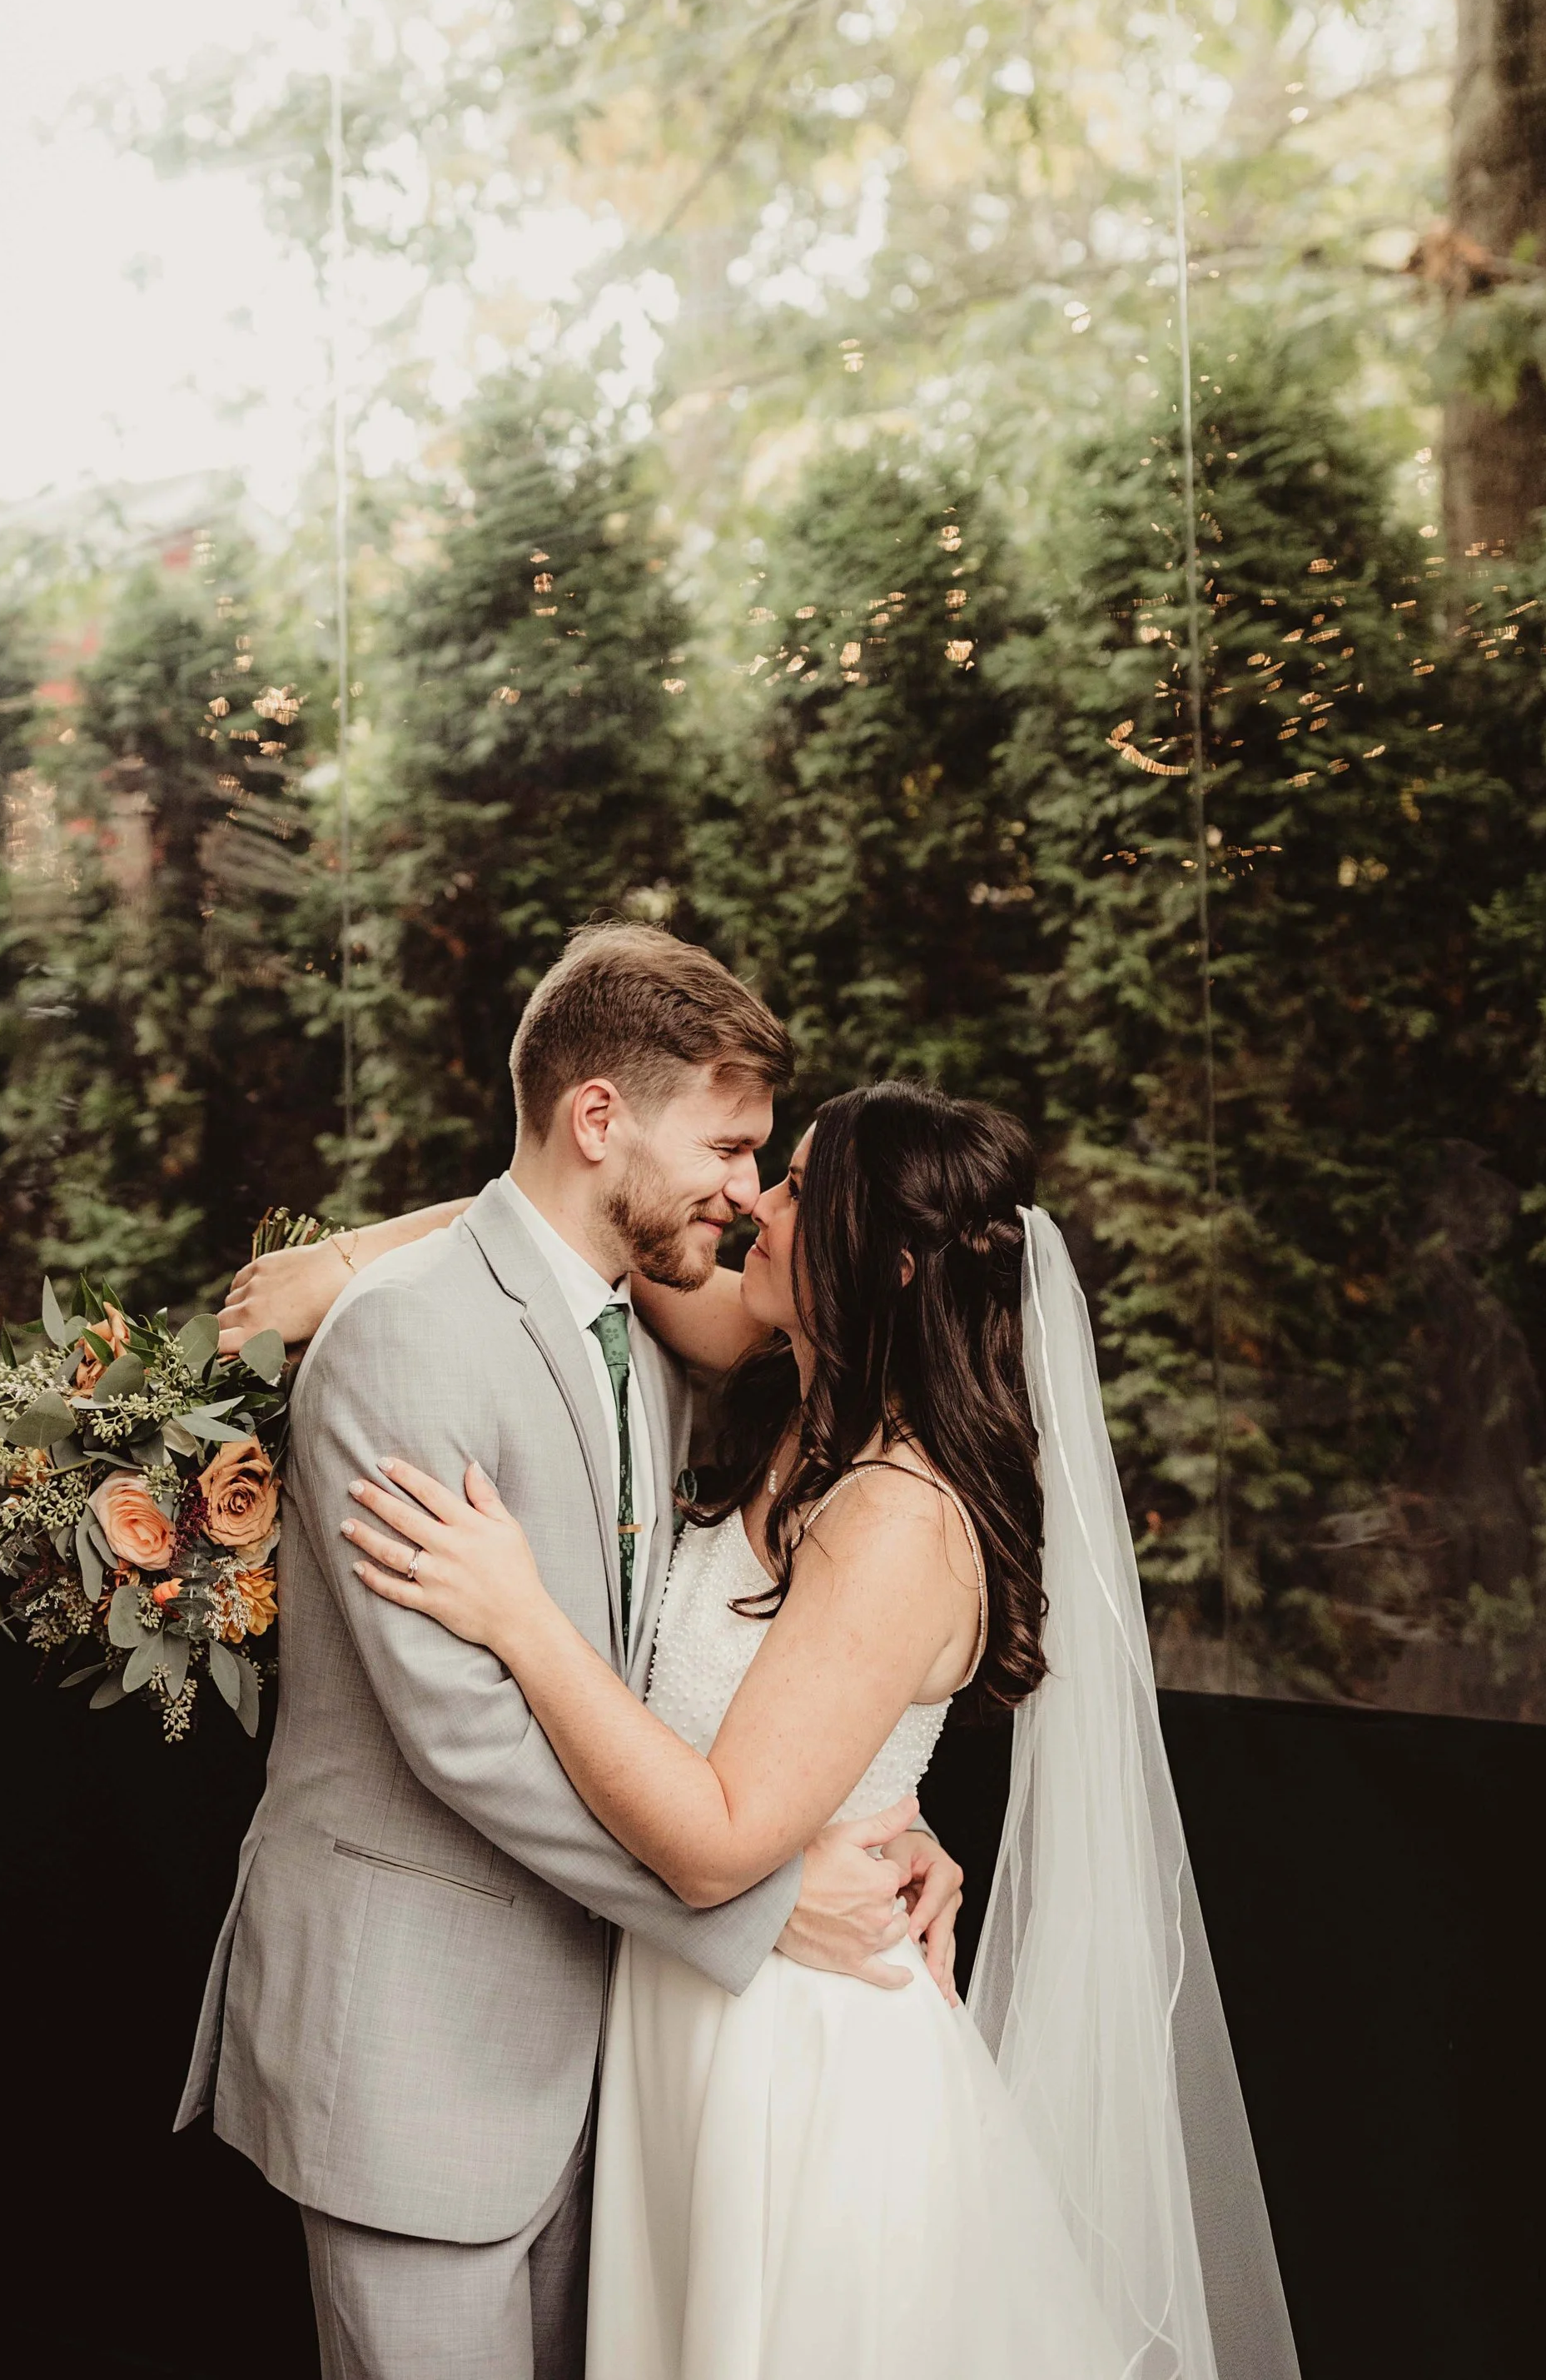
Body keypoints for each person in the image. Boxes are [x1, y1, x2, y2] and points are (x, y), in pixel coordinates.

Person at [331, 1078, 1304, 2380]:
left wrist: (519, 1612)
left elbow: (722, 1841)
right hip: (697, 2029)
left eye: (794, 1189)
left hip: (798, 2072)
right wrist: (338, 1262)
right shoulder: (801, 1381)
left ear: (887, 1265)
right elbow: (552, 1232)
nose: (756, 1205)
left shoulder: (900, 1514)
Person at [178, 927, 965, 2380]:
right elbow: (466, 1737)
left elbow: (711, 1675)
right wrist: (754, 1897)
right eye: (734, 1149)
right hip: (422, 2055)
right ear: (600, 1118)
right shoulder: (403, 1346)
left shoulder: (655, 1334)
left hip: (620, 2066)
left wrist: (884, 1817)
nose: (747, 1193)